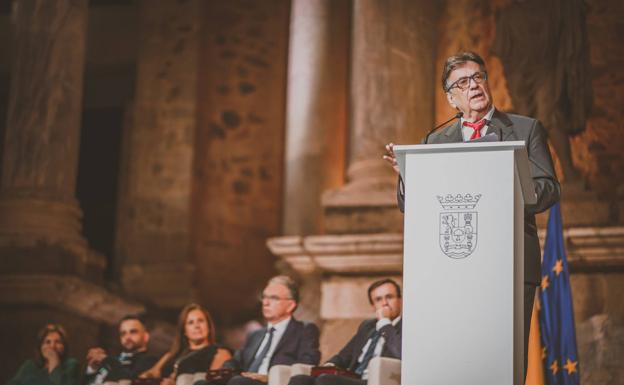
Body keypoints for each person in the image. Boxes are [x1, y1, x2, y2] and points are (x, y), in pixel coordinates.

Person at [383, 51, 560, 373]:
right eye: (463, 82)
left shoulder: (525, 129)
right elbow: (411, 205)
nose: (474, 86)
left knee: (503, 361)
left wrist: (506, 188)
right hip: (453, 268)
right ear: (451, 98)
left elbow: (549, 188)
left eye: (478, 77)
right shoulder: (435, 140)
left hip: (511, 263)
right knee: (458, 358)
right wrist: (410, 177)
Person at [199, 275, 320, 385]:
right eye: (264, 297)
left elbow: (307, 364)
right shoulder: (255, 334)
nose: (265, 303)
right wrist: (226, 373)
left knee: (239, 382)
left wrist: (268, 377)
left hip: (270, 382)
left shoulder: (304, 330)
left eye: (274, 298)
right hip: (242, 380)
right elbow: (235, 361)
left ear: (290, 305)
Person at [288, 278, 402, 385]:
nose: (384, 303)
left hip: (376, 381)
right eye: (378, 299)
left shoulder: (407, 326)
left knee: (326, 380)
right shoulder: (368, 326)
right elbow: (344, 356)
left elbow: (400, 351)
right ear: (373, 306)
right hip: (354, 377)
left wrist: (385, 323)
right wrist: (330, 365)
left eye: (389, 297)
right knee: (299, 379)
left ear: (400, 300)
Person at [140, 304, 231, 384]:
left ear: (209, 327)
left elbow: (211, 382)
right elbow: (152, 372)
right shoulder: (172, 353)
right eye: (191, 322)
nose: (197, 326)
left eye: (201, 321)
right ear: (184, 331)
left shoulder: (219, 352)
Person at [83, 314, 158, 384]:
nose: (127, 337)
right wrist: (92, 368)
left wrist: (106, 359)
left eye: (133, 332)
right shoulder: (114, 359)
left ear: (146, 336)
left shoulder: (149, 360)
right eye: (123, 333)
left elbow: (131, 379)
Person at [6, 323, 79, 385]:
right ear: (40, 347)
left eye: (58, 342)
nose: (52, 346)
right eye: (47, 342)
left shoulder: (71, 365)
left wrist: (53, 360)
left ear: (64, 346)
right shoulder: (29, 366)